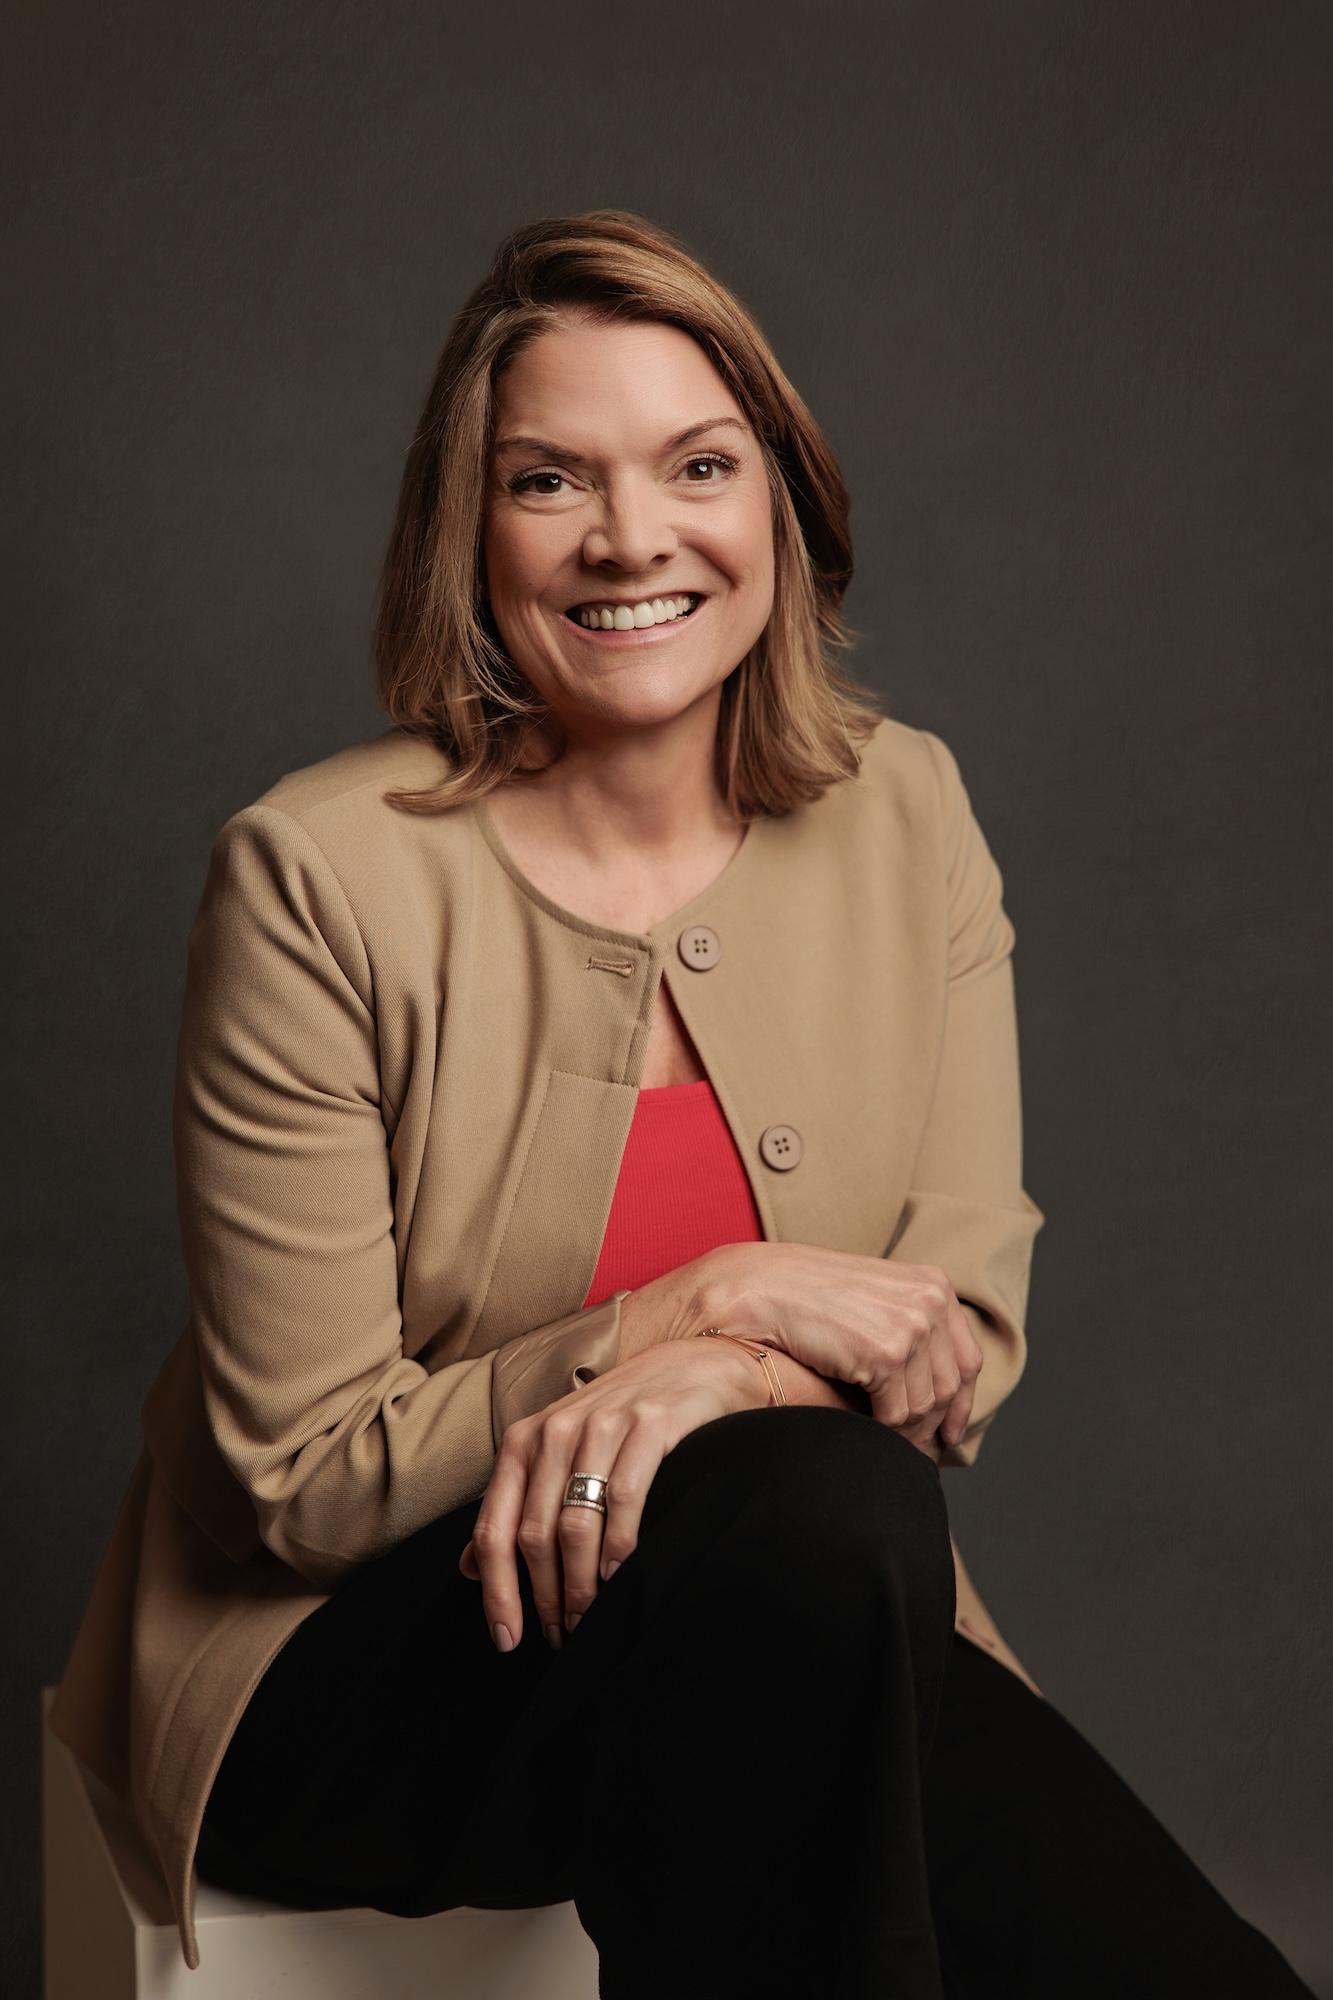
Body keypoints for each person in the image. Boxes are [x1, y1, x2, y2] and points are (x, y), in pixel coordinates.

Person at [48, 210, 1314, 1999]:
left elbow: (954, 1336)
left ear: (778, 505)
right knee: (817, 1504)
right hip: (368, 1677)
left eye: (696, 466)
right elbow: (303, 1485)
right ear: (467, 537)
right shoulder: (312, 876)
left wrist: (716, 1369)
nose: (632, 537)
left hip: (786, 1605)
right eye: (548, 480)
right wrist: (699, 1299)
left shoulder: (908, 815)